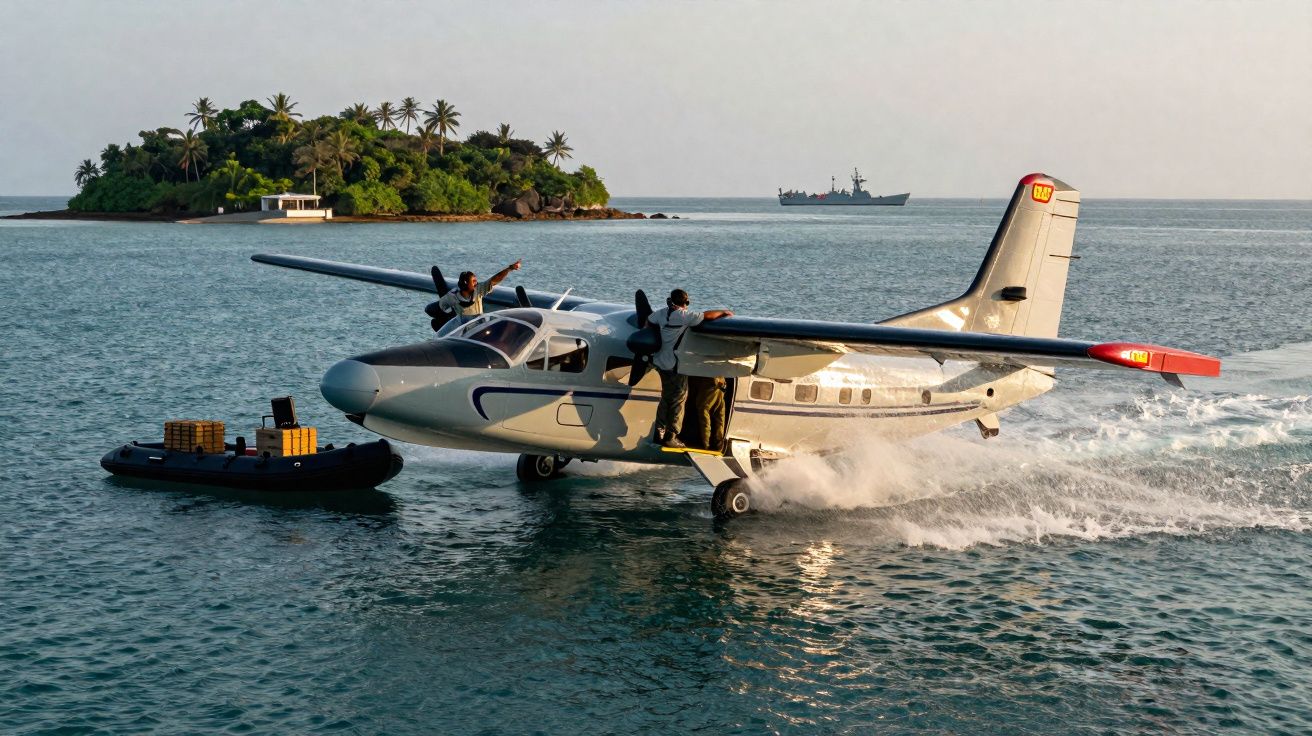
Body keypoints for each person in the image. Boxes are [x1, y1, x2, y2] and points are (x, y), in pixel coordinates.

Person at [649, 288, 732, 448]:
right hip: (675, 365)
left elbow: (649, 320)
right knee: (679, 399)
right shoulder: (684, 315)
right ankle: (671, 436)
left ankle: (659, 432)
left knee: (666, 398)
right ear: (685, 302)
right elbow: (707, 316)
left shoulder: (661, 313)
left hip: (661, 363)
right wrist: (723, 312)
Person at [437, 260, 522, 323]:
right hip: (462, 331)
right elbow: (442, 305)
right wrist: (450, 316)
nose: (476, 283)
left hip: (479, 328)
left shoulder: (478, 290)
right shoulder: (452, 296)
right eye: (473, 281)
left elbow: (494, 280)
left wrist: (509, 269)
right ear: (466, 283)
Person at [691, 376, 727, 452]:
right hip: (720, 384)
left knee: (705, 418)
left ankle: (705, 445)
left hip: (709, 385)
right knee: (720, 419)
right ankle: (718, 446)